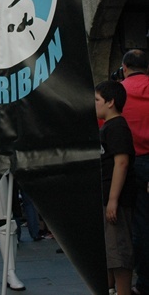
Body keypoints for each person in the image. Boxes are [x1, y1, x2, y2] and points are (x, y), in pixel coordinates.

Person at [95, 80, 136, 295]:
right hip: (108, 197)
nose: (95, 105)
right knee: (111, 250)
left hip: (117, 200)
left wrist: (113, 199)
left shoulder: (117, 126)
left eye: (97, 100)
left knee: (119, 251)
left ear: (110, 102)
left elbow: (122, 162)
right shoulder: (109, 127)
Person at [119, 49, 149, 295]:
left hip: (131, 163)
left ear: (125, 67)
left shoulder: (116, 94)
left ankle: (144, 279)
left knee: (138, 224)